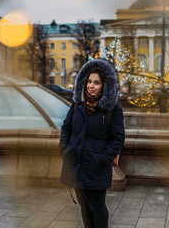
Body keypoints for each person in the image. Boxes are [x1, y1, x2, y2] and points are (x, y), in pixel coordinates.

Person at [59, 59, 125, 228]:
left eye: (96, 82)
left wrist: (102, 158)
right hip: (75, 163)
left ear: (105, 86)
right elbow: (66, 127)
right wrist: (64, 149)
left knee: (97, 206)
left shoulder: (112, 110)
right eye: (89, 81)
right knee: (84, 206)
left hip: (95, 167)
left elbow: (117, 138)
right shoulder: (77, 105)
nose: (91, 86)